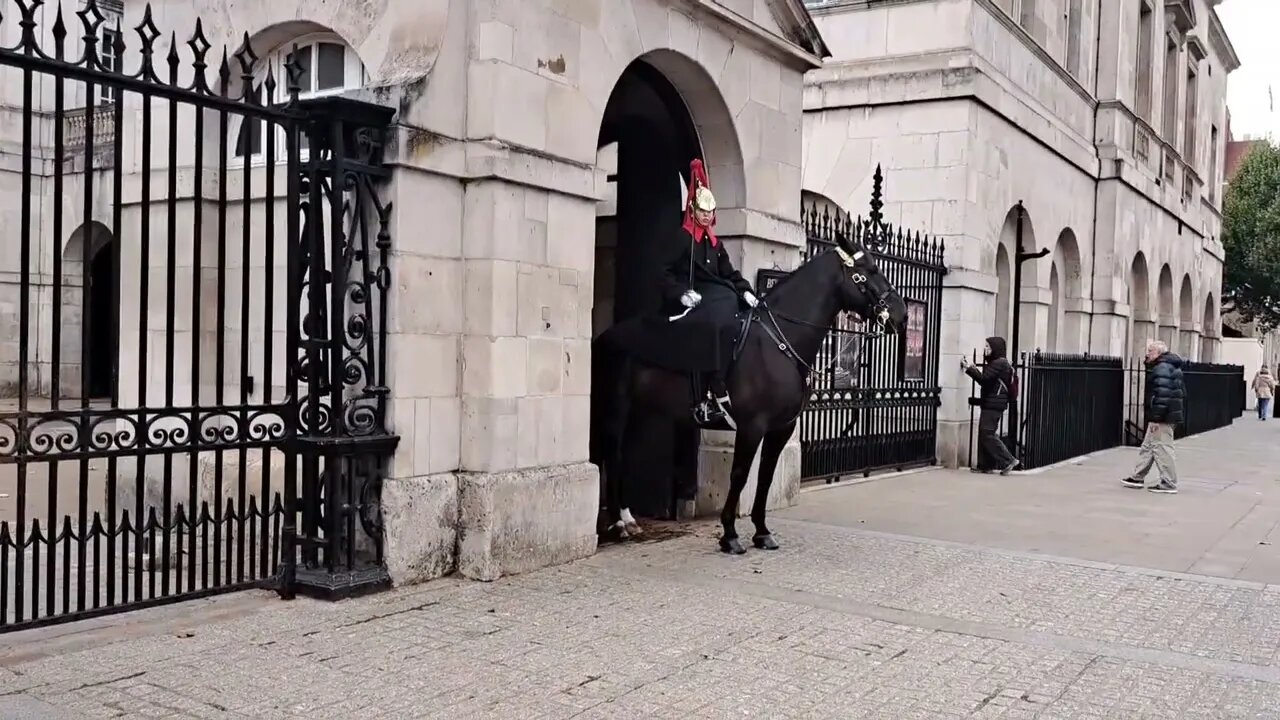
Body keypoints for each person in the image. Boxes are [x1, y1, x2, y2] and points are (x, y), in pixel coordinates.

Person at [660, 158, 758, 425]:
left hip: (719, 293)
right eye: (702, 211)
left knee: (737, 314)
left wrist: (745, 291)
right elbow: (665, 272)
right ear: (693, 209)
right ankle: (713, 387)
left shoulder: (715, 243)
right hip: (695, 296)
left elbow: (729, 273)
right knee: (718, 316)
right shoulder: (683, 239)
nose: (706, 216)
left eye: (710, 211)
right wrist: (681, 293)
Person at [1121, 340, 1183, 494]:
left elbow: (1162, 395)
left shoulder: (1162, 368)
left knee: (1163, 449)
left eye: (1150, 351)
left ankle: (1169, 482)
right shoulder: (1168, 366)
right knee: (1148, 446)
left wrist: (1156, 418)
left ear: (1159, 353)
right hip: (1165, 414)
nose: (1147, 354)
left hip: (1162, 417)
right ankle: (1137, 477)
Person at [961, 337, 1020, 475]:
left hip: (994, 405)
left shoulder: (999, 363)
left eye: (988, 347)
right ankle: (985, 465)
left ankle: (1009, 460)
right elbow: (990, 381)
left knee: (987, 433)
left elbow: (984, 380)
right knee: (984, 433)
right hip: (993, 403)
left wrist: (969, 369)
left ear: (995, 348)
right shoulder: (999, 363)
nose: (985, 349)